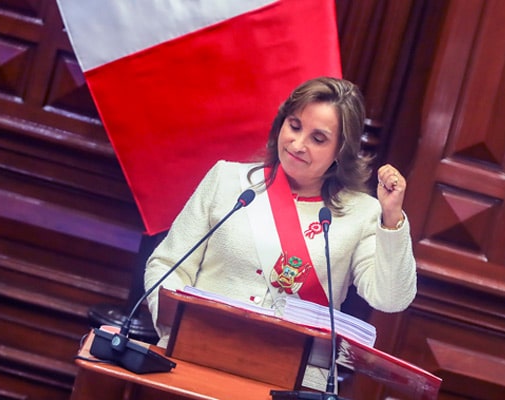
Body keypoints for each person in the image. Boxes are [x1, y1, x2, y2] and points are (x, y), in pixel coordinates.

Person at [144, 76, 417, 389]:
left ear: (341, 150)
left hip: (295, 384)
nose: (298, 145)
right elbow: (166, 266)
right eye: (295, 126)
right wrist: (177, 329)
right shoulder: (227, 180)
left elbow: (391, 299)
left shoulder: (363, 213)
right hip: (193, 359)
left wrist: (392, 218)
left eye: (318, 138)